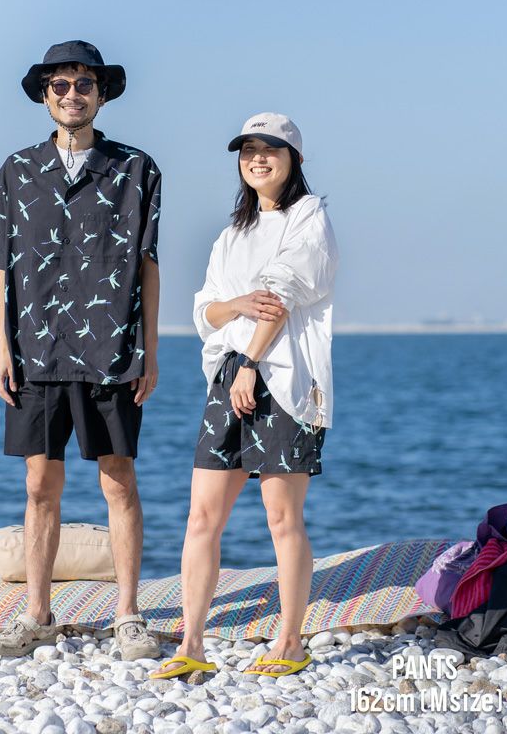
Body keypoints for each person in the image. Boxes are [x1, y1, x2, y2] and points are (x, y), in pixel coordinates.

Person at [0, 40, 161, 660]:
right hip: (36, 347)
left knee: (118, 480)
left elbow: (148, 264)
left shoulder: (137, 169)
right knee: (38, 484)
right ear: (45, 96)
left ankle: (128, 615)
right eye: (60, 85)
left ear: (101, 94)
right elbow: (3, 265)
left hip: (111, 347)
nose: (72, 94)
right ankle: (37, 612)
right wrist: (2, 347)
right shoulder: (17, 170)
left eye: (84, 84)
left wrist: (150, 350)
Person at [151, 112, 338, 679]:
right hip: (230, 374)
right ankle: (192, 643)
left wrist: (251, 362)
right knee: (202, 516)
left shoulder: (309, 216)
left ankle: (290, 642)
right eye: (248, 149)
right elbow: (205, 312)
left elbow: (279, 296)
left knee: (282, 516)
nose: (258, 158)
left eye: (270, 149)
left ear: (294, 158)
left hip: (284, 378)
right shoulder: (231, 235)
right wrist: (236, 307)